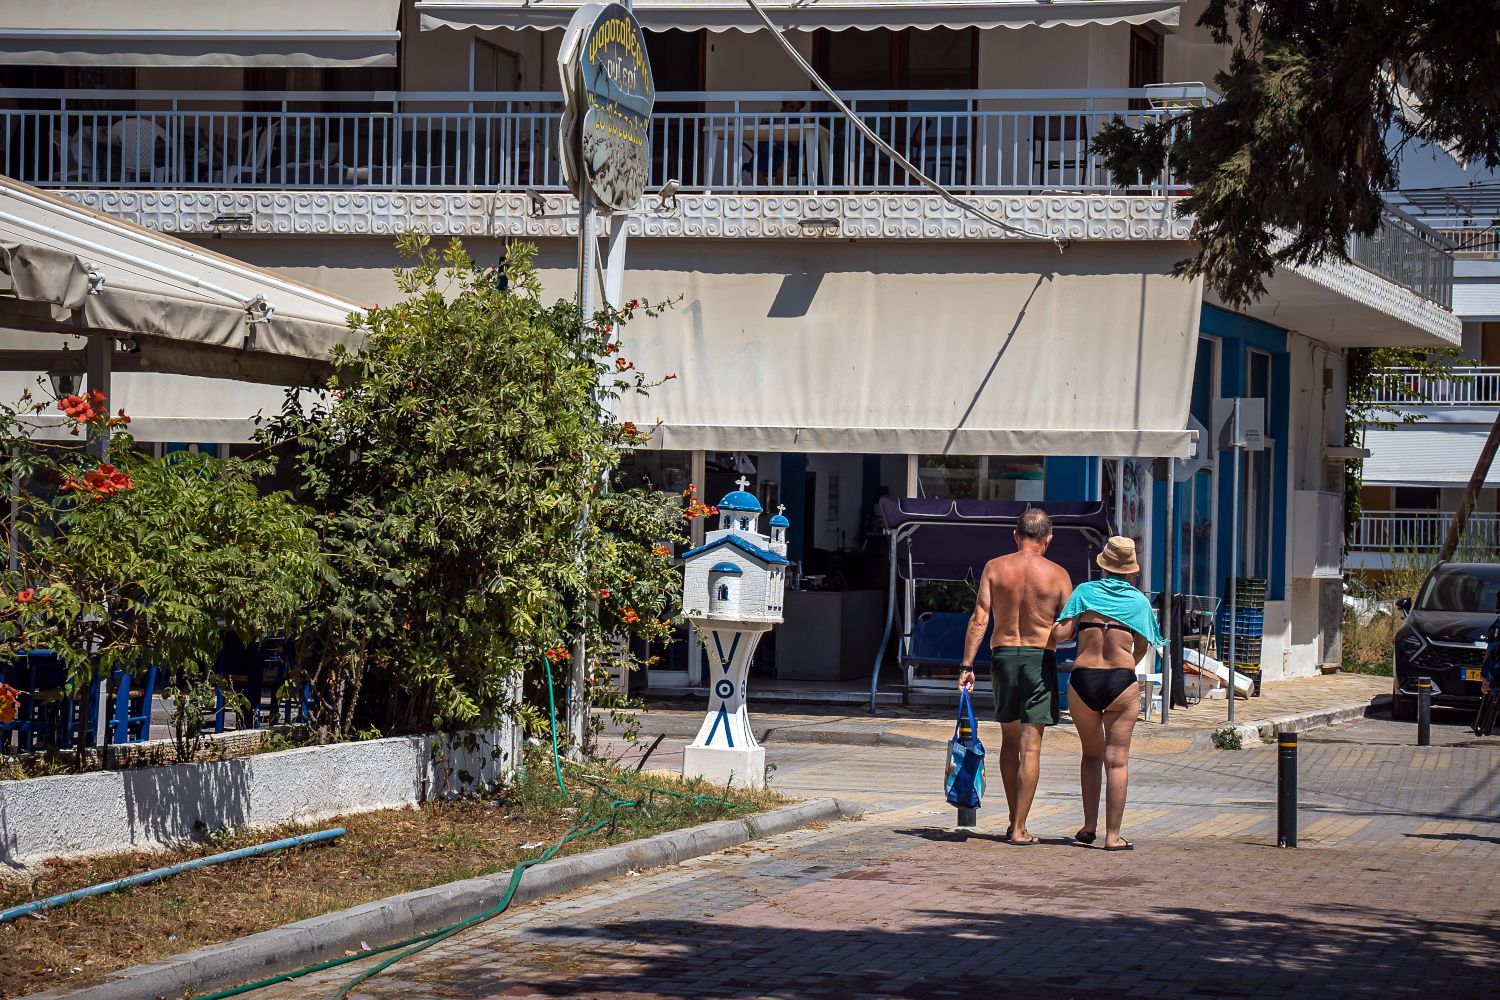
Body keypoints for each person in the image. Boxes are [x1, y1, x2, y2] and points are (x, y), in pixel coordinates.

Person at [957, 509, 1073, 845]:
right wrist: (1053, 628)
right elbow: (1066, 631)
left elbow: (980, 619)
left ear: (1016, 535)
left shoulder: (995, 568)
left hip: (1003, 657)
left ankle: (1012, 820)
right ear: (1048, 540)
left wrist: (966, 666)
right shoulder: (1058, 574)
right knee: (1030, 747)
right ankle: (1020, 827)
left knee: (1009, 742)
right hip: (1039, 658)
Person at [1053, 536, 1164, 851]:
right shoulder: (1138, 602)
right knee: (1117, 761)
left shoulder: (1084, 592)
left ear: (1103, 565)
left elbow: (1062, 632)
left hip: (1083, 679)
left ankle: (1089, 826)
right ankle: (1112, 837)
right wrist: (1124, 667)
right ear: (1131, 572)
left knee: (1091, 755)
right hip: (1120, 681)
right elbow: (1142, 646)